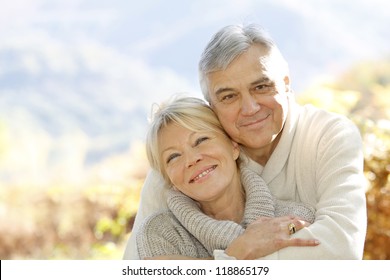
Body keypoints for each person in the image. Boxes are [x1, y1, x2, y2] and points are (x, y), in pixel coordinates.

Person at [124, 23, 367, 259]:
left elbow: (341, 245)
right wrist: (236, 254)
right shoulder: (183, 167)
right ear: (212, 106)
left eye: (261, 86)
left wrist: (234, 261)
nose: (250, 108)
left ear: (285, 83)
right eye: (229, 96)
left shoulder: (329, 137)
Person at [137, 96, 318, 259]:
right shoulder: (160, 233)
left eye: (201, 140)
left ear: (233, 146)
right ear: (170, 181)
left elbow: (305, 240)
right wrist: (240, 251)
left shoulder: (293, 219)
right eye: (173, 157)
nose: (192, 159)